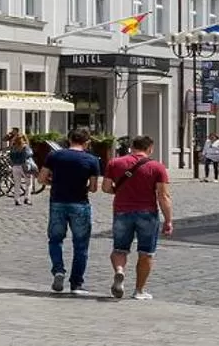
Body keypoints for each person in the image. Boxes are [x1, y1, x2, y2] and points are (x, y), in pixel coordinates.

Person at [102, 133, 173, 300]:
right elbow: (163, 196)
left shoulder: (115, 163)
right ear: (150, 148)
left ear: (132, 147)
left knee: (119, 249)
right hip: (147, 213)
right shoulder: (157, 167)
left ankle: (120, 271)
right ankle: (139, 291)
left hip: (121, 211)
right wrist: (168, 220)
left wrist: (119, 191)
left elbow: (105, 188)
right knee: (146, 253)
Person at [36, 128, 100, 293]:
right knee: (81, 245)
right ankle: (76, 283)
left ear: (69, 139)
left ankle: (58, 270)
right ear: (87, 142)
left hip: (57, 202)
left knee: (55, 240)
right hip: (80, 203)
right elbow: (93, 188)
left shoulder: (55, 156)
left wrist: (54, 183)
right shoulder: (91, 160)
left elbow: (41, 178)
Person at [5, 129, 36, 207]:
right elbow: (29, 155)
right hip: (24, 166)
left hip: (15, 166)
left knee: (17, 184)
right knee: (29, 183)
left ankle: (17, 200)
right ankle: (27, 198)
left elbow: (11, 157)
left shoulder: (13, 148)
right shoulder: (25, 147)